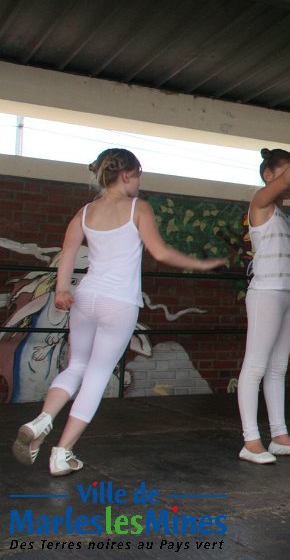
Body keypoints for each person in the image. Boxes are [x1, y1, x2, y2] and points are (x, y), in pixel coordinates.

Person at [12, 149, 226, 476]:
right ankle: (62, 452)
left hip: (85, 298)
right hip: (119, 303)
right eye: (138, 175)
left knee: (77, 366)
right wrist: (200, 263)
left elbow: (67, 253)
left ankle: (42, 420)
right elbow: (160, 252)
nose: (140, 182)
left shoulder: (85, 212)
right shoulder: (138, 208)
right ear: (126, 175)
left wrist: (62, 291)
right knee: (97, 375)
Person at [237, 147, 290, 464]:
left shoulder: (285, 217)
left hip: (288, 295)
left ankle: (279, 435)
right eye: (289, 175)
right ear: (269, 176)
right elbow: (285, 178)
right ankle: (250, 440)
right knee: (255, 365)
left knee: (278, 368)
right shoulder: (260, 203)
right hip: (266, 292)